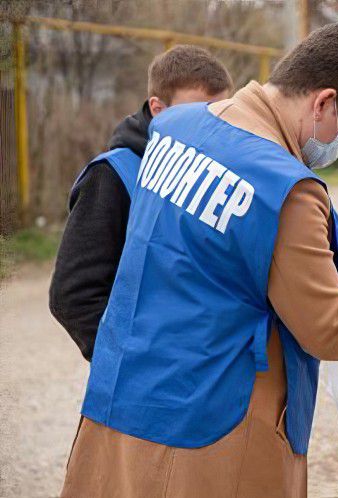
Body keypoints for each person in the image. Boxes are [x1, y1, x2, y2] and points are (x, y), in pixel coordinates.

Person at [60, 22, 338, 498]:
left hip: (120, 401)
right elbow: (330, 328)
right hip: (211, 435)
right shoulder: (286, 189)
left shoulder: (173, 127)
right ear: (323, 101)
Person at [49, 45, 233, 361]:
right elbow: (73, 297)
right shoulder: (112, 175)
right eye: (197, 114)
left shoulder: (217, 170)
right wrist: (135, 363)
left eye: (221, 113)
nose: (212, 127)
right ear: (158, 109)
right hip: (149, 381)